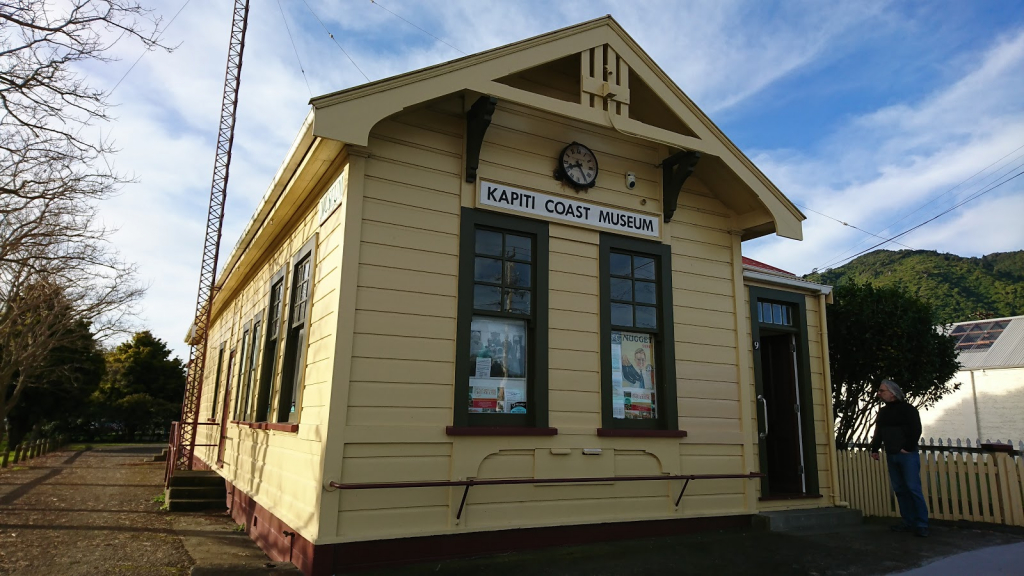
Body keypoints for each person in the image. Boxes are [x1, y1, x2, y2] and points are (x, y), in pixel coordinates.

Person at [870, 379, 929, 537]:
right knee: (900, 490)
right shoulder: (883, 412)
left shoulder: (908, 410)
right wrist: (875, 448)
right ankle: (908, 521)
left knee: (913, 488)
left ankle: (922, 523)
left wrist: (908, 447)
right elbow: (879, 431)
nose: (879, 394)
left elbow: (916, 429)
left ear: (892, 393)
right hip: (891, 454)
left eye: (882, 391)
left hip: (906, 455)